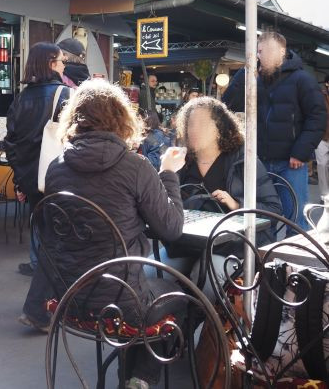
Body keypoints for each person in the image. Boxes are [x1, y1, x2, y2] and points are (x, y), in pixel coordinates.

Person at [21, 79, 185, 389]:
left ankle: (133, 378)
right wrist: (169, 173)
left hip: (69, 299)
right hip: (121, 306)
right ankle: (140, 378)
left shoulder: (56, 168)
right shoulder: (136, 167)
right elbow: (172, 228)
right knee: (180, 294)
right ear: (122, 118)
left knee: (140, 292)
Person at [148, 97, 282, 287]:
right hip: (187, 244)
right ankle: (177, 305)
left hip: (232, 247)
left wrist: (237, 204)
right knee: (147, 272)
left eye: (202, 124)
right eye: (190, 124)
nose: (194, 130)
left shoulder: (242, 160)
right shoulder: (181, 161)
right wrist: (166, 171)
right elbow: (160, 208)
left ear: (220, 128)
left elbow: (274, 209)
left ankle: (196, 308)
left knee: (205, 276)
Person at [222, 31, 326, 231]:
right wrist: (245, 73)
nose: (259, 55)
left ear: (281, 51)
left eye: (264, 51)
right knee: (261, 219)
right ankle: (263, 252)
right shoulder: (255, 80)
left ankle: (294, 252)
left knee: (295, 219)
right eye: (258, 51)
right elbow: (228, 105)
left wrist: (301, 152)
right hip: (259, 161)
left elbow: (317, 117)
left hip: (290, 162)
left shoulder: (302, 79)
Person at [4, 42, 71, 277]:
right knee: (60, 220)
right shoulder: (66, 95)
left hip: (30, 175)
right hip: (60, 172)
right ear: (51, 64)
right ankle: (56, 267)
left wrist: (20, 178)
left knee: (37, 215)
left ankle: (37, 263)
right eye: (62, 61)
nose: (64, 66)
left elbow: (11, 141)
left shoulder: (20, 99)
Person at [315, 75, 329, 199]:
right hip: (321, 136)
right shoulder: (319, 96)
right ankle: (324, 195)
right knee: (322, 164)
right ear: (327, 83)